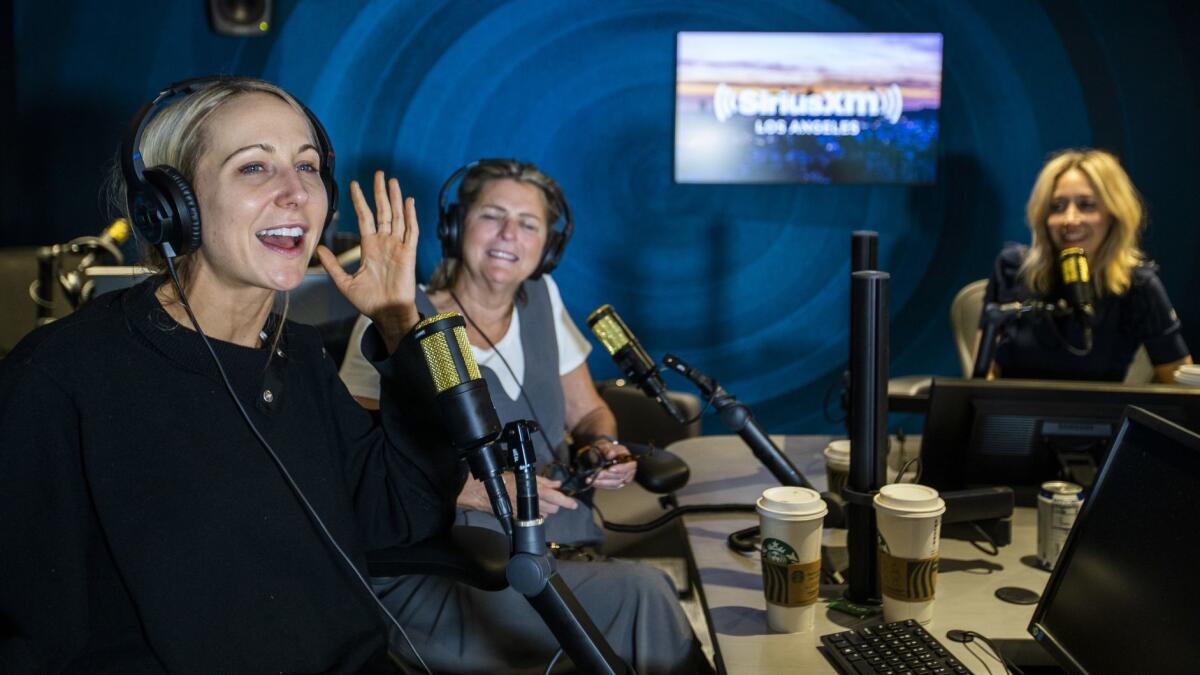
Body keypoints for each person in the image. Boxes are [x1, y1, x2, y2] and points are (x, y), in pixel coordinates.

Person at [0, 77, 463, 673]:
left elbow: (401, 513)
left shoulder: (299, 357)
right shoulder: (62, 378)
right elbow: (32, 632)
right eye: (254, 168)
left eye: (307, 165)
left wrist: (400, 322)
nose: (296, 192)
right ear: (172, 205)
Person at [339, 159, 704, 673]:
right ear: (456, 226)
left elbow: (589, 411)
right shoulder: (395, 317)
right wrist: (474, 488)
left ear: (547, 246)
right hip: (467, 570)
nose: (509, 234)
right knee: (647, 592)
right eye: (492, 215)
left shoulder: (542, 300)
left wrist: (602, 446)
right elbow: (359, 460)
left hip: (559, 552)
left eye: (528, 224)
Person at [977, 148, 1192, 382]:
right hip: (1011, 416)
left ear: (1113, 213)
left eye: (1087, 205)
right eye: (1057, 206)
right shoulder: (1012, 268)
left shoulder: (1139, 284)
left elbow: (1178, 382)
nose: (1070, 220)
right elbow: (983, 375)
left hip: (1099, 417)